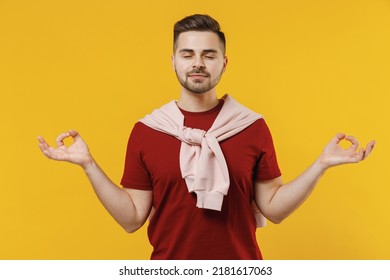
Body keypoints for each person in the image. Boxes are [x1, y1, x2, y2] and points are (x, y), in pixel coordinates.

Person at [37, 14, 375, 260]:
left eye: (208, 55)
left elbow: (273, 208)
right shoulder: (147, 131)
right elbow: (131, 219)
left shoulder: (251, 126)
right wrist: (88, 165)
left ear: (224, 63)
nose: (198, 63)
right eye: (188, 54)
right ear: (173, 61)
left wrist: (322, 165)